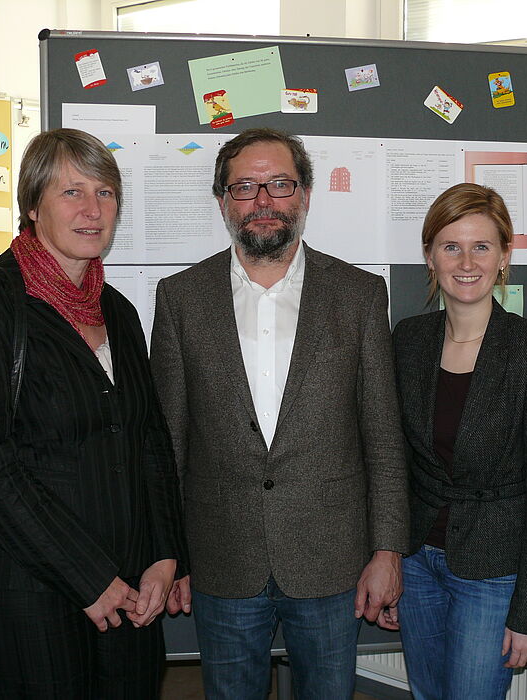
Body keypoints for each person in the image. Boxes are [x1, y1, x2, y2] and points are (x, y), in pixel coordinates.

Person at [0, 128, 188, 698]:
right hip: (29, 593)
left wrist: (165, 554)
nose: (93, 210)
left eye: (106, 192)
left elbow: (148, 437)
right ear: (31, 204)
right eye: (72, 192)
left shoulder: (116, 310)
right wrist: (88, 578)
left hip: (131, 588)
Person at [149, 127, 409, 700]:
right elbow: (166, 444)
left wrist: (387, 550)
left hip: (331, 561)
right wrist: (167, 554)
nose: (263, 200)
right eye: (244, 187)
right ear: (222, 201)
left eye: (279, 184)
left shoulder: (360, 295)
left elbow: (383, 438)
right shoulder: (180, 298)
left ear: (306, 195)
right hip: (221, 560)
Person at [388, 183, 527, 700]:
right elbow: (391, 462)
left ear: (505, 255)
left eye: (482, 246)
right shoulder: (408, 339)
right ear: (429, 256)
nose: (466, 261)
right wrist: (384, 560)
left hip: (494, 570)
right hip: (417, 559)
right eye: (451, 246)